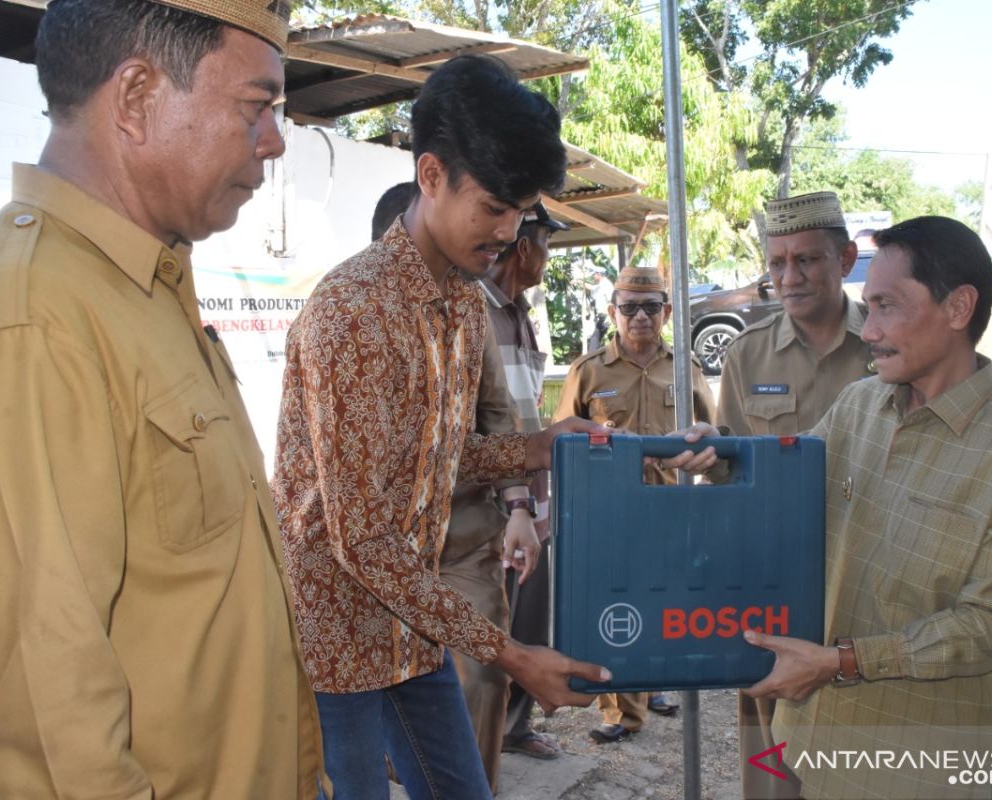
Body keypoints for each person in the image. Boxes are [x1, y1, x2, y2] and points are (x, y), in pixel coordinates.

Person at [272, 55, 717, 799]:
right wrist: (511, 655)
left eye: (520, 210)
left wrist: (541, 445)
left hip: (413, 631)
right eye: (492, 206)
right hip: (335, 638)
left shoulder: (456, 301)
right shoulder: (354, 311)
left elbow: (432, 461)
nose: (508, 231)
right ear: (432, 175)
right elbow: (363, 537)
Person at [0, 1, 328, 797]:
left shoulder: (147, 285)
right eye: (256, 107)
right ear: (135, 99)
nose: (274, 140)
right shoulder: (30, 316)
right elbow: (51, 730)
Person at [740, 216, 992, 800]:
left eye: (887, 306)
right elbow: (782, 479)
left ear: (959, 307)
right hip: (810, 738)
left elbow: (991, 627)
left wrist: (840, 662)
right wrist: (712, 455)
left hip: (923, 767)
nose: (869, 331)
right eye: (868, 307)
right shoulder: (860, 404)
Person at [716, 191, 873, 798]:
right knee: (770, 741)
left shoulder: (888, 346)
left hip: (865, 573)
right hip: (773, 575)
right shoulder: (746, 354)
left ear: (846, 258)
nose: (789, 277)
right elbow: (731, 476)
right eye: (777, 263)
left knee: (857, 736)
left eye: (806, 260)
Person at [553, 265, 717, 744]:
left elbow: (716, 431)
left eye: (650, 307)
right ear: (613, 312)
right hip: (610, 509)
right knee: (615, 603)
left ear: (666, 312)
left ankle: (653, 683)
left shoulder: (684, 369)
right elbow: (564, 442)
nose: (640, 316)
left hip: (672, 506)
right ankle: (620, 710)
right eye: (629, 307)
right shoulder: (589, 372)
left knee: (664, 599)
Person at [439, 202, 570, 788]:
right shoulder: (474, 309)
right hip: (483, 513)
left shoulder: (509, 311)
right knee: (481, 662)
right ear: (524, 245)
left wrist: (528, 499)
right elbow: (475, 435)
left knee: (508, 644)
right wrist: (516, 500)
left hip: (519, 502)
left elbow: (508, 416)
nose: (544, 254)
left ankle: (501, 741)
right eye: (544, 242)